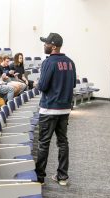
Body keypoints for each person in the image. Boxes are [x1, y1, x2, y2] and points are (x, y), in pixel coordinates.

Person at [35, 33, 76, 186]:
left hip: (49, 109)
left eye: (46, 43)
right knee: (63, 143)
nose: (44, 45)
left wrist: (36, 84)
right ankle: (63, 177)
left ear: (53, 46)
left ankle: (39, 179)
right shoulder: (70, 62)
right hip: (65, 109)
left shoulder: (49, 62)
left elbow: (43, 86)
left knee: (44, 143)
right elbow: (72, 85)